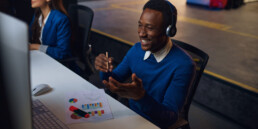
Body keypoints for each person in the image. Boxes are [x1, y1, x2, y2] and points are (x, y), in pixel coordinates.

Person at [94, 0, 196, 128]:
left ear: (169, 31)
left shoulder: (184, 65)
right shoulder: (136, 50)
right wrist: (105, 69)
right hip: (131, 116)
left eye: (150, 28)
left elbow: (169, 118)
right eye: (140, 25)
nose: (141, 33)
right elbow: (113, 81)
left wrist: (141, 97)